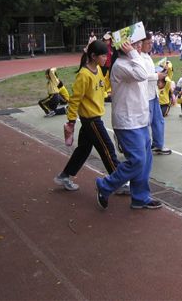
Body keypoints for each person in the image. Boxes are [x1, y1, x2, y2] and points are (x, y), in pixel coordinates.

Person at [95, 39, 163, 210]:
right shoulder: (121, 65)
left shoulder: (134, 61)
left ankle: (140, 197)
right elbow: (142, 74)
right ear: (125, 47)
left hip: (140, 119)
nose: (139, 47)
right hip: (127, 121)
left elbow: (145, 73)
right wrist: (133, 53)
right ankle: (105, 185)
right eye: (135, 44)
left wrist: (135, 54)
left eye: (139, 44)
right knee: (137, 160)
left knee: (145, 161)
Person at [53, 40, 125, 193]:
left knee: (83, 149)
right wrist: (71, 121)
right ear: (93, 56)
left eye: (107, 55)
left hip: (93, 119)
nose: (106, 58)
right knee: (107, 149)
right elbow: (75, 100)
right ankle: (117, 182)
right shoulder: (84, 75)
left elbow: (103, 86)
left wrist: (111, 75)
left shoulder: (98, 69)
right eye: (103, 56)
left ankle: (64, 176)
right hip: (91, 120)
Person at [141, 33, 172, 155]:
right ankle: (143, 147)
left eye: (151, 43)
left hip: (153, 93)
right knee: (146, 122)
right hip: (145, 95)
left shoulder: (147, 56)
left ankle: (158, 144)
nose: (150, 45)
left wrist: (160, 72)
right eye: (148, 43)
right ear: (141, 44)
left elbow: (150, 72)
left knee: (158, 120)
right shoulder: (138, 58)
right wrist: (156, 75)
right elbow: (141, 75)